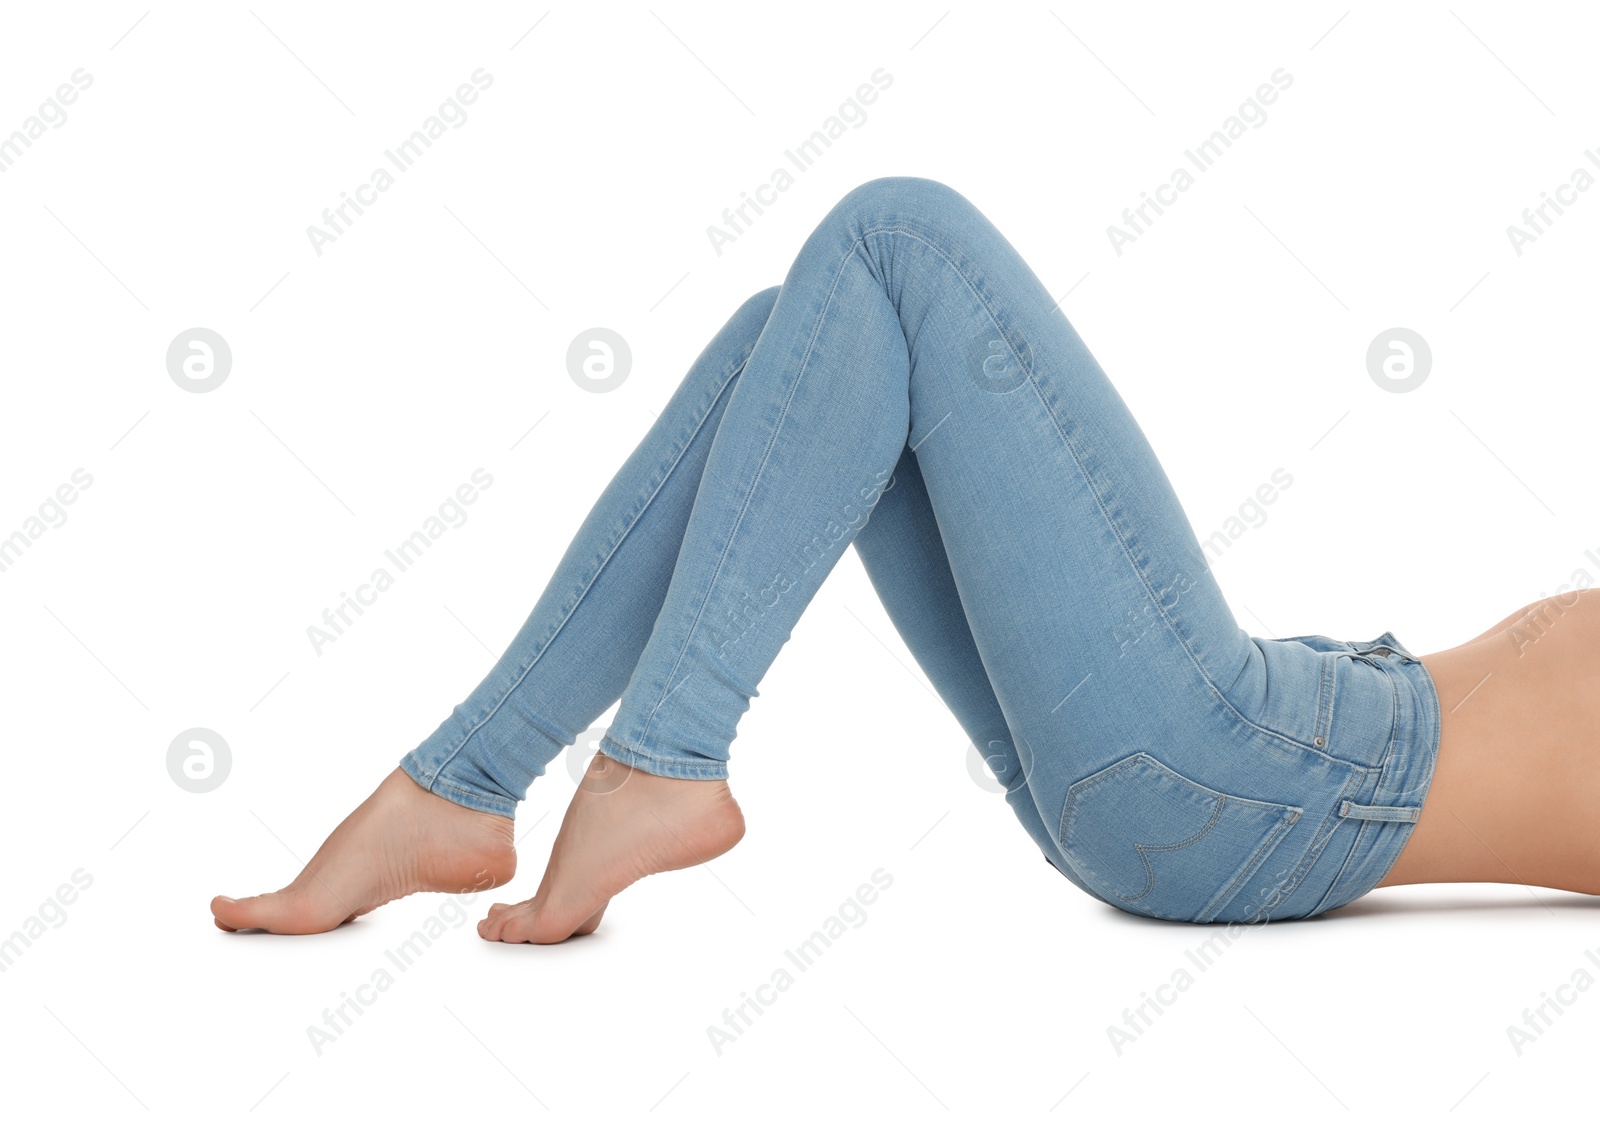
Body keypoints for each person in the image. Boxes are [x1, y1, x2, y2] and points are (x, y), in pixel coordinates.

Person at [211, 176, 1600, 943]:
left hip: (1245, 781)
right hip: (1237, 767)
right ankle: (460, 786)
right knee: (812, 346)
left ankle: (663, 761)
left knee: (896, 242)